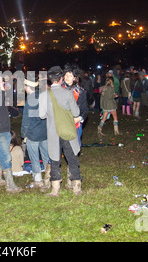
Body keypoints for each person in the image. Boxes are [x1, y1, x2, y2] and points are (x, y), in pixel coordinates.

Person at [39, 66, 82, 197]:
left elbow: (42, 115)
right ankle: (77, 188)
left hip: (53, 133)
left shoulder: (43, 95)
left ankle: (55, 190)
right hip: (67, 131)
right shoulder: (68, 93)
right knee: (72, 159)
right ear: (61, 78)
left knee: (55, 161)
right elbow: (76, 112)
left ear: (49, 80)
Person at [21, 77, 49, 189]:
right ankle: (49, 176)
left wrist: (24, 134)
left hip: (33, 133)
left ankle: (38, 179)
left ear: (27, 87)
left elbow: (26, 120)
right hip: (44, 132)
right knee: (46, 156)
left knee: (34, 157)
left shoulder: (30, 100)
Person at [63, 63, 88, 145]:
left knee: (74, 149)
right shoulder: (59, 89)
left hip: (75, 126)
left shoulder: (80, 92)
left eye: (70, 75)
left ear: (75, 77)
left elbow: (84, 110)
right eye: (66, 75)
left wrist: (79, 118)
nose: (67, 77)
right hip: (61, 125)